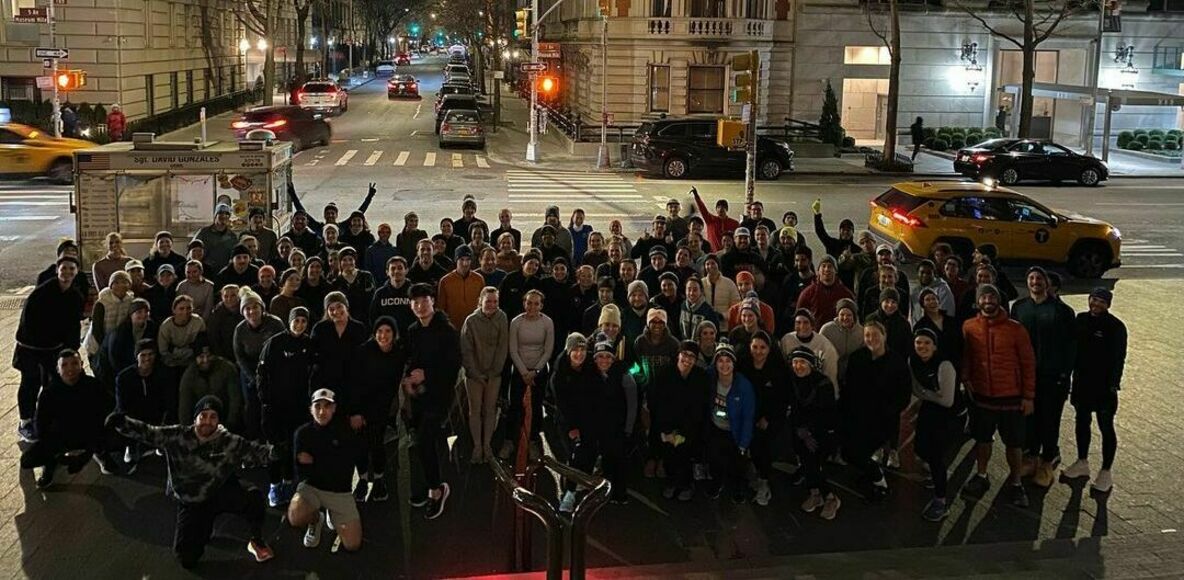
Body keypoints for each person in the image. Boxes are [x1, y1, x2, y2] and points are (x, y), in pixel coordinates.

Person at [106, 396, 277, 567]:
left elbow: (256, 452)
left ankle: (256, 540)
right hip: (192, 502)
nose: (207, 421)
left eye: (213, 417)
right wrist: (123, 423)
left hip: (219, 491)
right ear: (195, 418)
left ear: (219, 421)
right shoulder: (178, 436)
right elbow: (149, 433)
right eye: (203, 416)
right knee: (186, 558)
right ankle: (205, 527)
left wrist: (276, 452)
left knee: (254, 497)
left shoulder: (228, 441)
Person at [962, 284, 1036, 507]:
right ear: (978, 301)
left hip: (1011, 397)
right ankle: (981, 475)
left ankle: (1016, 482)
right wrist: (966, 378)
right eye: (984, 297)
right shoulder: (969, 327)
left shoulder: (1016, 329)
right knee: (982, 439)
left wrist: (1028, 397)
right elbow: (966, 356)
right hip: (982, 396)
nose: (988, 301)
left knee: (1014, 444)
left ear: (999, 300)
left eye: (992, 297)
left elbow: (1028, 363)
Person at [1010, 266, 1077, 488]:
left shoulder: (1063, 311)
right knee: (1029, 419)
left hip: (1052, 377)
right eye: (1031, 278)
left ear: (1047, 283)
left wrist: (1064, 375)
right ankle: (1031, 457)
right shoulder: (1019, 307)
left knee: (1049, 419)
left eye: (1039, 278)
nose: (1035, 282)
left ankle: (1047, 461)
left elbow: (1071, 346)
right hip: (1027, 376)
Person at [402, 283, 462, 520]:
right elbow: (410, 359)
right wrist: (408, 379)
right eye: (415, 302)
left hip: (440, 395)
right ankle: (426, 484)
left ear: (433, 301)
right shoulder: (412, 330)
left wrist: (426, 374)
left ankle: (437, 490)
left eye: (424, 300)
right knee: (419, 443)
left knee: (425, 440)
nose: (420, 306)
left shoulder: (447, 330)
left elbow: (453, 365)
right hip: (418, 395)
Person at [21, 349, 121, 487]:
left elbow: (111, 409)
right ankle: (51, 463)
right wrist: (61, 457)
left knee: (119, 438)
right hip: (61, 437)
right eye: (64, 365)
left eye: (74, 363)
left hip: (89, 433)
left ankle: (100, 453)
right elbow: (41, 425)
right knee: (28, 460)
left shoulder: (93, 385)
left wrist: (88, 451)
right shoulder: (49, 393)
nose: (70, 369)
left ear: (81, 364)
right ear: (58, 369)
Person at [1061, 288, 1126, 493]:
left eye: (1101, 302)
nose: (1096, 304)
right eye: (1094, 300)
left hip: (1104, 386)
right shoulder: (1080, 319)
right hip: (1082, 382)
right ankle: (1082, 461)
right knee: (1081, 421)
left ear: (1108, 305)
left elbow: (1119, 358)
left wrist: (1114, 384)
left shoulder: (1116, 327)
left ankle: (1106, 471)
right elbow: (1071, 348)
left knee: (1106, 426)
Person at [288, 388, 364, 552]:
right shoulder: (302, 433)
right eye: (317, 406)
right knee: (295, 515)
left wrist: (314, 460)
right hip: (312, 487)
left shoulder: (345, 431)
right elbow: (301, 472)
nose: (322, 411)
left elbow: (344, 468)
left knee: (353, 544)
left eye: (327, 406)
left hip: (339, 491)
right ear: (311, 409)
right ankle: (316, 520)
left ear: (334, 408)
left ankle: (333, 513)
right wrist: (329, 459)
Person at [257, 307, 314, 507]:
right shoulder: (275, 343)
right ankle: (274, 486)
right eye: (296, 320)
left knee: (292, 446)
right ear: (289, 321)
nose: (299, 325)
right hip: (275, 406)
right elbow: (262, 372)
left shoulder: (308, 344)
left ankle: (289, 483)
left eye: (303, 321)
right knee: (276, 448)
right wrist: (265, 399)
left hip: (298, 406)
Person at [843, 322, 907, 497]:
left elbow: (903, 395)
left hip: (882, 420)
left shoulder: (896, 362)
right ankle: (870, 473)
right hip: (858, 417)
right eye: (867, 335)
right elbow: (849, 388)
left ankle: (880, 482)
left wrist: (889, 412)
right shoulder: (857, 358)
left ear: (884, 336)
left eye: (876, 334)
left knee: (860, 452)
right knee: (850, 452)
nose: (871, 339)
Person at [575, 340, 638, 504]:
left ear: (613, 358)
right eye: (600, 356)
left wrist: (628, 429)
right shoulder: (589, 375)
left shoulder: (624, 376)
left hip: (618, 428)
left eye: (608, 357)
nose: (604, 360)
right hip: (598, 428)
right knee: (605, 462)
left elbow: (632, 405)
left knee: (619, 462)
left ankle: (620, 494)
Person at [909, 328, 957, 521]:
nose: (922, 346)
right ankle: (936, 475)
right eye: (918, 342)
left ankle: (941, 501)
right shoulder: (913, 361)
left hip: (951, 414)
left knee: (936, 456)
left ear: (935, 346)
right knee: (920, 448)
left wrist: (925, 393)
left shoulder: (944, 365)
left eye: (927, 343)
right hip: (930, 408)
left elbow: (947, 401)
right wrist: (932, 394)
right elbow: (915, 389)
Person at [787, 346, 841, 519]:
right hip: (800, 430)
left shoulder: (823, 384)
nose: (798, 366)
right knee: (805, 459)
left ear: (811, 364)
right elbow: (793, 408)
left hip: (821, 432)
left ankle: (830, 497)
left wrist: (809, 432)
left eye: (802, 362)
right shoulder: (792, 382)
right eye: (795, 362)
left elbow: (827, 413)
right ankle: (815, 493)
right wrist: (800, 430)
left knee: (815, 462)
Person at [652, 340, 708, 502]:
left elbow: (699, 409)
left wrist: (683, 433)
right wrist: (666, 431)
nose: (687, 359)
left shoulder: (701, 377)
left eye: (692, 356)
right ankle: (671, 482)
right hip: (666, 426)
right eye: (685, 354)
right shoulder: (664, 374)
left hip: (689, 428)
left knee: (685, 452)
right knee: (669, 452)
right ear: (678, 355)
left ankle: (686, 485)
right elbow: (657, 404)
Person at [738, 331, 788, 506]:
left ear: (769, 349)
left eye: (762, 347)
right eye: (755, 347)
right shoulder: (743, 365)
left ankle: (764, 482)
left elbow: (783, 399)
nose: (758, 351)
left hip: (769, 417)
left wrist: (768, 418)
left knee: (762, 445)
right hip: (747, 414)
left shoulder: (778, 369)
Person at [504, 290, 555, 460]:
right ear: (524, 303)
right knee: (515, 406)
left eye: (536, 303)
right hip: (520, 369)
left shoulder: (547, 322)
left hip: (539, 370)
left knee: (536, 406)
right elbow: (513, 349)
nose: (532, 307)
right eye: (529, 303)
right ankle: (509, 440)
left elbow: (548, 350)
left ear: (541, 305)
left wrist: (536, 372)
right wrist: (524, 372)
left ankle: (533, 441)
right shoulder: (516, 322)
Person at [460, 287, 509, 463]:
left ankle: (487, 445)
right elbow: (466, 350)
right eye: (488, 301)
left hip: (494, 374)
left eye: (495, 301)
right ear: (480, 301)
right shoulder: (471, 320)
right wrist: (475, 373)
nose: (492, 305)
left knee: (490, 410)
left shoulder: (502, 317)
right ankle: (477, 446)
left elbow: (503, 346)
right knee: (474, 410)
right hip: (474, 375)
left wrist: (494, 371)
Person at [704, 342, 755, 503]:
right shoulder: (710, 378)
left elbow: (748, 416)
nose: (724, 365)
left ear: (734, 363)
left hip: (735, 430)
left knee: (737, 463)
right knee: (715, 459)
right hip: (716, 428)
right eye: (720, 360)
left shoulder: (744, 385)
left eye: (728, 361)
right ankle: (717, 483)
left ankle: (737, 488)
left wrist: (744, 442)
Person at [233, 290, 285, 440]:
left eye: (255, 307)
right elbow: (239, 356)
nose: (252, 311)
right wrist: (253, 378)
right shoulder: (240, 329)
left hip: (272, 369)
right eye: (247, 309)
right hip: (250, 370)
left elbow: (283, 347)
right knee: (251, 405)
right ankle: (253, 438)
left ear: (262, 308)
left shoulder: (275, 324)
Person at [115, 339, 173, 471]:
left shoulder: (164, 373)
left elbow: (169, 400)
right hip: (135, 415)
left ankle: (160, 443)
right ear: (137, 357)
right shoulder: (124, 378)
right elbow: (122, 406)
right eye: (143, 355)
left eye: (151, 354)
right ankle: (130, 447)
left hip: (156, 414)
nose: (147, 358)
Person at [179, 334, 244, 433]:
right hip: (200, 424)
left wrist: (228, 427)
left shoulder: (227, 369)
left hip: (224, 422)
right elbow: (184, 409)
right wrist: (189, 433)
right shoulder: (189, 376)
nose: (205, 360)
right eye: (201, 357)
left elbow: (235, 401)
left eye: (209, 356)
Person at [780, 308, 841, 392]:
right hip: (793, 388)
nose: (802, 326)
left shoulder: (825, 346)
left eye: (806, 322)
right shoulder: (786, 340)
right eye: (798, 322)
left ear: (812, 325)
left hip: (818, 389)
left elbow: (831, 376)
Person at [795, 255, 855, 327]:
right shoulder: (807, 293)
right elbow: (799, 317)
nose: (826, 269)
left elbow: (854, 319)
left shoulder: (846, 294)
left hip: (838, 333)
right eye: (823, 266)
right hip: (815, 333)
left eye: (830, 266)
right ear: (818, 271)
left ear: (835, 271)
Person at [437, 246, 485, 327]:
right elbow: (441, 308)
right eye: (461, 259)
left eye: (468, 259)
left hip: (474, 326)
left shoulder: (479, 279)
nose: (465, 263)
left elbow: (483, 304)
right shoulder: (445, 281)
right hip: (452, 326)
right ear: (456, 260)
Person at [193, 204, 239, 275]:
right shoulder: (203, 233)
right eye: (220, 213)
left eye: (227, 213)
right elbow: (192, 250)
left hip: (225, 274)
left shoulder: (232, 236)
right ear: (215, 215)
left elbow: (235, 256)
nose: (224, 216)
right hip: (205, 272)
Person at [206, 285, 243, 360]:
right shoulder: (216, 313)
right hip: (224, 355)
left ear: (239, 296)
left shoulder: (245, 310)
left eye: (233, 295)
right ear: (222, 297)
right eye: (226, 296)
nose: (229, 299)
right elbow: (213, 338)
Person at [701, 255, 740, 327]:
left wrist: (723, 316)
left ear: (718, 265)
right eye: (707, 264)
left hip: (724, 325)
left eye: (713, 263)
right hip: (705, 326)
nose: (710, 266)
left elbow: (736, 305)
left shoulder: (729, 283)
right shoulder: (701, 283)